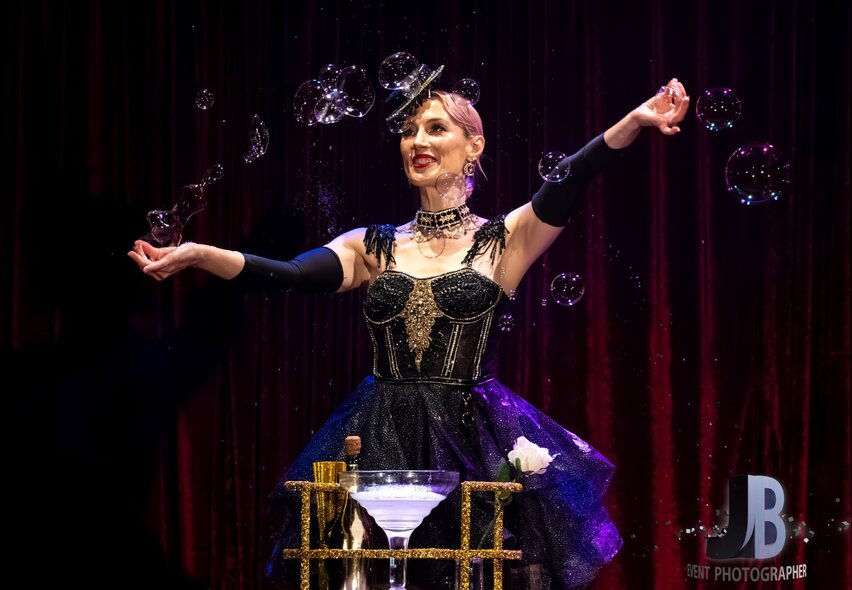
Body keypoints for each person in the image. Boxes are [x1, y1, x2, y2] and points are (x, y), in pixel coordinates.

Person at [129, 78, 689, 589]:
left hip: (471, 440)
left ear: (475, 146)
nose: (416, 140)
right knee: (361, 580)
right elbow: (290, 275)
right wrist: (201, 254)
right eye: (407, 130)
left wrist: (634, 121)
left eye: (435, 128)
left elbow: (573, 174)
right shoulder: (371, 246)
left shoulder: (505, 239)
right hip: (376, 440)